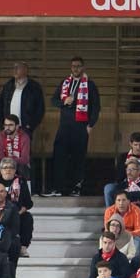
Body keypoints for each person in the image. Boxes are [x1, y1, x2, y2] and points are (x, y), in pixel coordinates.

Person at [45, 56, 99, 197]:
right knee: (59, 156)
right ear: (71, 68)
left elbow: (96, 107)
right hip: (64, 126)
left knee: (78, 158)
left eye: (78, 66)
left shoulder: (90, 85)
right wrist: (64, 102)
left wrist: (91, 125)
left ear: (83, 67)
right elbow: (53, 100)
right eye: (73, 66)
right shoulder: (65, 83)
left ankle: (76, 187)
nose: (76, 68)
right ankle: (58, 187)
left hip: (81, 127)